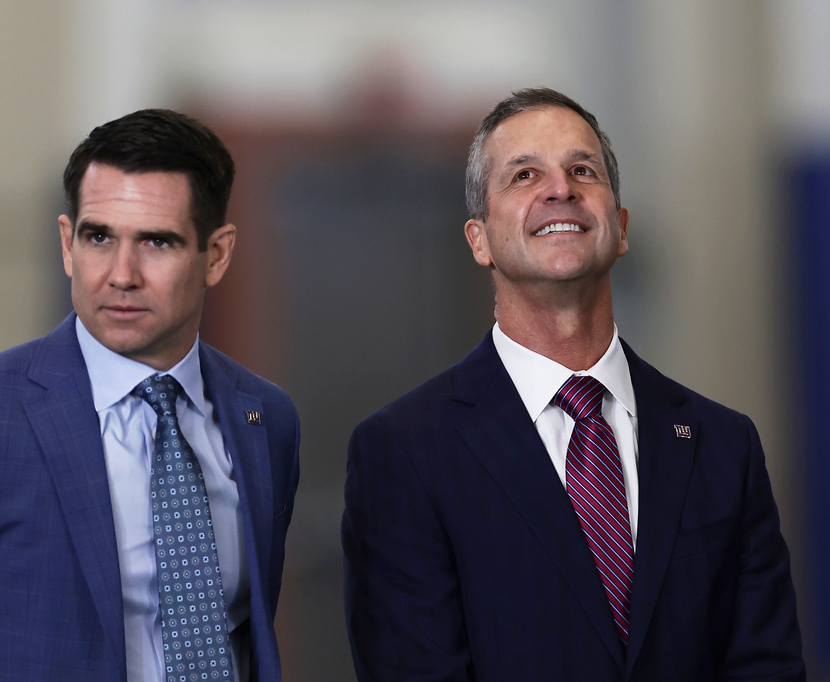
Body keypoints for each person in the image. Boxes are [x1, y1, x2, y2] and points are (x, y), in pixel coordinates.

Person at [0, 109, 300, 682]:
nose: (122, 273)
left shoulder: (264, 418)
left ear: (215, 255)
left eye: (157, 242)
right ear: (68, 244)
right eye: (99, 237)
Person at [342, 88, 804, 681]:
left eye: (582, 170)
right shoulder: (403, 452)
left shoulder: (724, 445)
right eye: (525, 174)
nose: (560, 189)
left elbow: (766, 667)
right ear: (477, 240)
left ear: (621, 226)